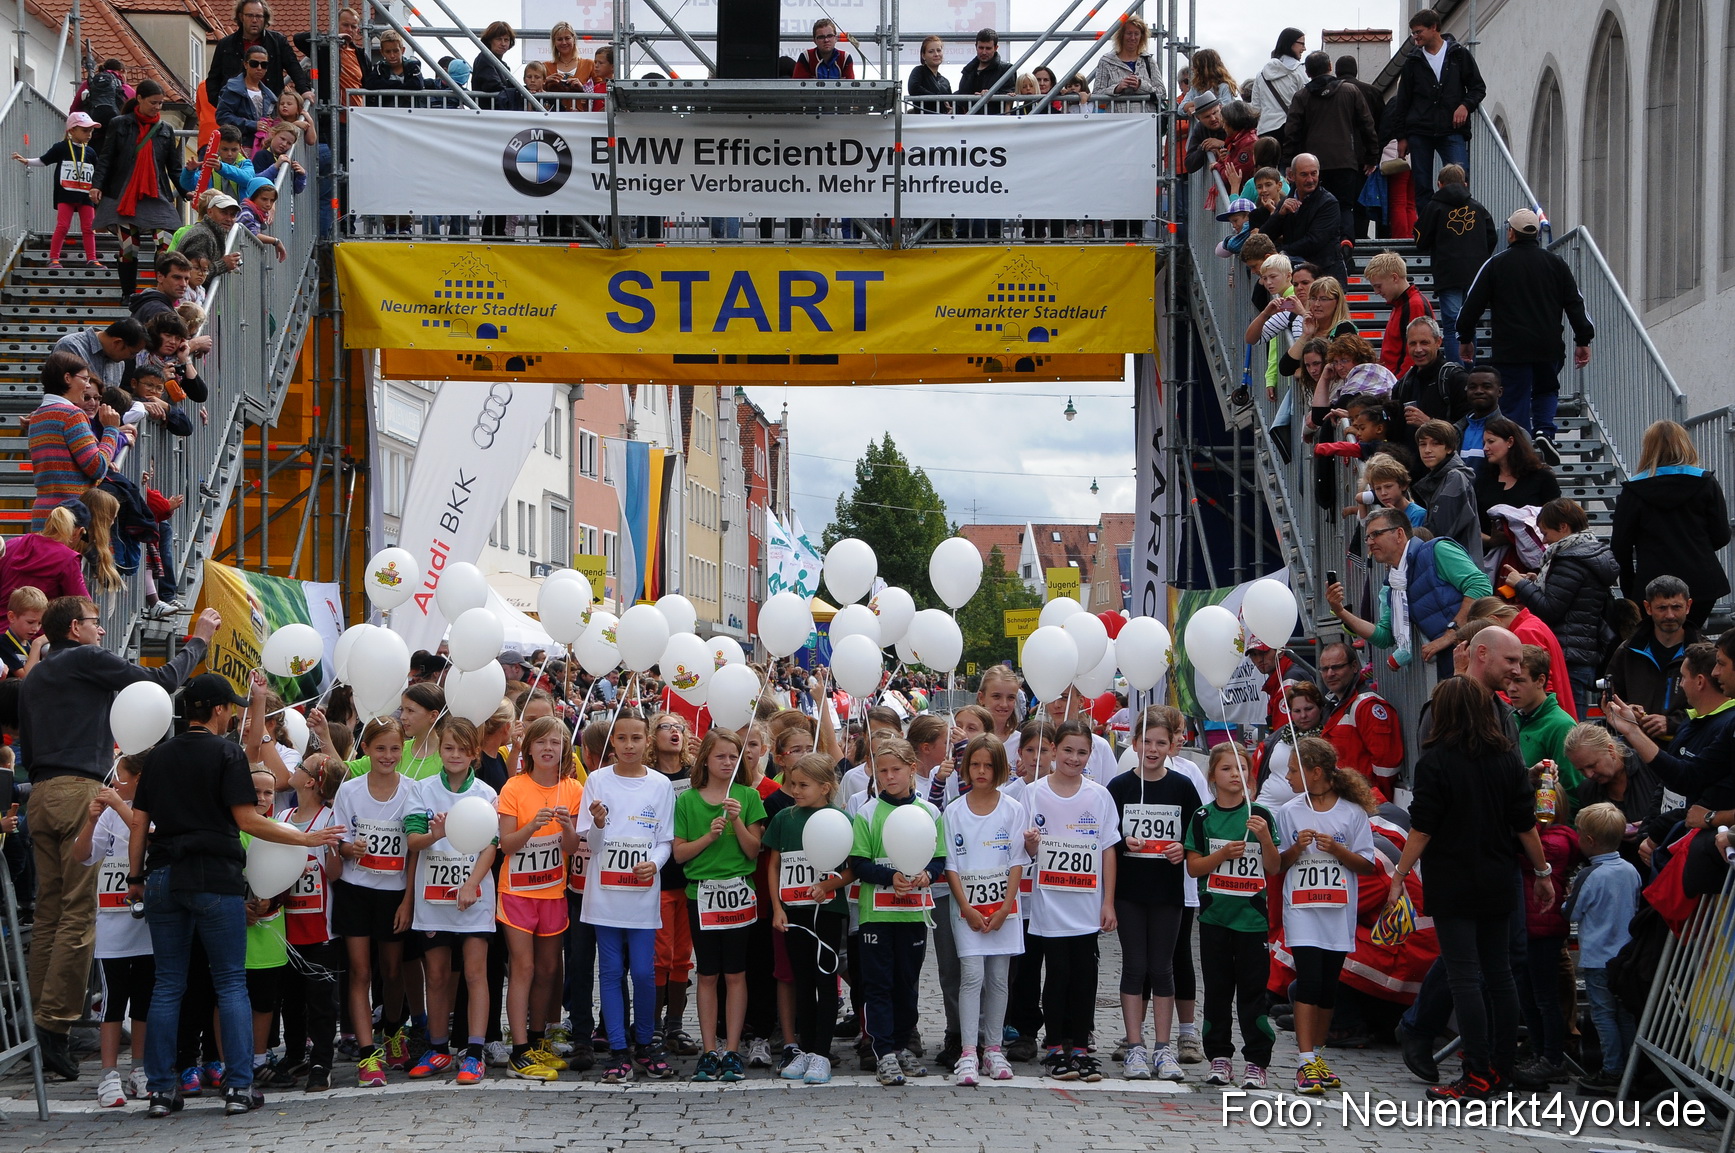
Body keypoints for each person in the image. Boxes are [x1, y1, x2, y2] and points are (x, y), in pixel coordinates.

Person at [129, 670, 343, 1117]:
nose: (231, 717)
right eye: (230, 709)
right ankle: (239, 1088)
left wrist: (135, 878)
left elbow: (139, 822)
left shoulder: (159, 755)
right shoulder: (225, 752)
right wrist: (304, 839)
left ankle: (161, 1090)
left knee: (167, 985)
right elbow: (247, 820)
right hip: (213, 876)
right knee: (230, 982)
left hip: (163, 875)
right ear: (219, 710)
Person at [18, 598, 215, 1080]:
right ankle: (54, 1025)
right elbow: (156, 683)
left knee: (49, 914)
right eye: (94, 622)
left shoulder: (36, 675)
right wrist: (199, 641)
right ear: (74, 628)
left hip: (40, 794)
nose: (102, 630)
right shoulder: (84, 658)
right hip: (76, 790)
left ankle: (39, 1024)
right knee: (76, 913)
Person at [1388, 676, 1551, 1100]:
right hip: (1498, 875)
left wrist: (1400, 873)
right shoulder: (1507, 759)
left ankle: (1476, 1071)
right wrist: (1543, 872)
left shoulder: (1435, 762)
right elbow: (1525, 825)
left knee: (1464, 976)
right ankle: (1501, 1069)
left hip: (1453, 878)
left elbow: (1423, 827)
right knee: (1500, 975)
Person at [576, 713, 676, 1081]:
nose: (629, 745)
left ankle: (645, 1043)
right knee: (611, 971)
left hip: (641, 896)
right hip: (604, 896)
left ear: (647, 741)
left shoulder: (660, 784)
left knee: (645, 972)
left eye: (636, 737)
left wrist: (654, 864)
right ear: (613, 743)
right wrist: (599, 823)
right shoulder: (597, 781)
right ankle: (618, 1049)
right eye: (622, 738)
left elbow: (665, 840)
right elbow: (592, 843)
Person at [1276, 737, 1378, 1095]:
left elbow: (1367, 864)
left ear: (1315, 772)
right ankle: (1304, 1061)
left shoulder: (1352, 813)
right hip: (1302, 909)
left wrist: (1336, 849)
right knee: (1308, 981)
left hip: (1337, 911)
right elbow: (1277, 864)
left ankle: (1317, 1057)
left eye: (1293, 770)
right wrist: (1296, 847)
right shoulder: (1289, 811)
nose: (1288, 777)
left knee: (1327, 986)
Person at [404, 716, 499, 1085]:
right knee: (437, 975)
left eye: (462, 749)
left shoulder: (486, 794)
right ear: (439, 750)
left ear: (474, 753)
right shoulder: (422, 790)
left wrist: (471, 884)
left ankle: (474, 1053)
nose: (455, 754)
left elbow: (491, 847)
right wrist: (436, 834)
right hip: (433, 899)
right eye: (448, 748)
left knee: (475, 973)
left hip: (473, 898)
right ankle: (438, 1049)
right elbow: (414, 842)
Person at [1108, 713, 1202, 1083]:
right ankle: (1135, 1046)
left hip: (1167, 892)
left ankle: (1164, 1048)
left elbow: (1197, 833)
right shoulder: (1119, 786)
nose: (1152, 749)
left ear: (1172, 746)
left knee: (1162, 967)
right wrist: (1123, 841)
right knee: (1135, 965)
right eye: (1146, 742)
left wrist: (1183, 847)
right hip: (1129, 892)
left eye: (1160, 743)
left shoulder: (1182, 786)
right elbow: (1105, 835)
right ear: (1134, 744)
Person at [1457, 209, 1595, 456]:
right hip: (1548, 345)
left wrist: (1465, 337)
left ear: (1511, 233)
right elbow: (1576, 303)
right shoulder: (1556, 264)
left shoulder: (1496, 264)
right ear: (1537, 234)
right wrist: (1583, 339)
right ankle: (1544, 431)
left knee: (1513, 398)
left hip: (1510, 349)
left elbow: (1470, 305)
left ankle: (1519, 448)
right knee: (1546, 389)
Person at [673, 728, 766, 1084]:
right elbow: (680, 854)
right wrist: (709, 837)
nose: (727, 762)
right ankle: (709, 1049)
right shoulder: (687, 800)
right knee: (708, 974)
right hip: (701, 895)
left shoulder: (748, 796)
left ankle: (732, 1050)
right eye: (720, 756)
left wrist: (737, 820)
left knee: (736, 973)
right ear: (705, 760)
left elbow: (753, 851)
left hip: (738, 892)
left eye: (733, 757)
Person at [850, 736, 945, 1086]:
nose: (889, 777)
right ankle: (883, 1051)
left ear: (912, 769)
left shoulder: (930, 812)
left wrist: (927, 874)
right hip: (876, 915)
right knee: (878, 984)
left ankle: (903, 1045)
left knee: (907, 982)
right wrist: (889, 877)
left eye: (896, 770)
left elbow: (939, 858)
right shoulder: (867, 813)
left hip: (913, 913)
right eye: (882, 771)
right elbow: (858, 862)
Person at [1184, 744, 1280, 1091]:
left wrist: (1265, 839)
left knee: (1254, 994)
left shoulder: (1261, 815)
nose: (1235, 775)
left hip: (1252, 922)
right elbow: (1194, 867)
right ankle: (1219, 1057)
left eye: (1241, 768)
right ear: (1213, 775)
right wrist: (1223, 854)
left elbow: (1274, 867)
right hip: (1215, 920)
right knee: (1218, 992)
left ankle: (1257, 1061)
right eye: (1226, 768)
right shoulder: (1203, 817)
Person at [328, 717, 415, 1087]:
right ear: (365, 749)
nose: (388, 755)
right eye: (380, 748)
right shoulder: (349, 791)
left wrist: (408, 901)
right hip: (355, 890)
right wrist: (352, 849)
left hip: (394, 893)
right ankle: (367, 1054)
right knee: (360, 972)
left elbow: (415, 851)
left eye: (395, 748)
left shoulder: (412, 790)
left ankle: (393, 1030)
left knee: (392, 971)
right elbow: (339, 841)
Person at [497, 716, 584, 1080]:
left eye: (556, 742)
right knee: (524, 968)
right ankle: (518, 1052)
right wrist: (531, 826)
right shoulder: (514, 787)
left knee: (548, 970)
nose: (549, 748)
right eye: (541, 742)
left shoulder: (573, 789)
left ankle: (537, 1042)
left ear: (565, 749)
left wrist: (567, 827)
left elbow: (571, 848)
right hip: (517, 892)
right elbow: (506, 845)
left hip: (552, 891)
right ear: (529, 748)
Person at [939, 736, 1027, 1086]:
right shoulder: (954, 811)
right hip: (968, 911)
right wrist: (966, 907)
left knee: (998, 979)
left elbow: (1017, 861)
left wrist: (1005, 908)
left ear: (999, 768)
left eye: (988, 765)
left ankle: (993, 1048)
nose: (981, 771)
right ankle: (968, 1051)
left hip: (1004, 910)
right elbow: (951, 865)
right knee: (972, 976)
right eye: (975, 764)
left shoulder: (1012, 809)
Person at [1328, 507, 1492, 686]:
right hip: (1455, 666)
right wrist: (1340, 611)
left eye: (1376, 534)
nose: (1370, 542)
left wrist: (1450, 634)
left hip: (1482, 654)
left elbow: (1480, 586)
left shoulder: (1437, 550)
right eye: (1367, 537)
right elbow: (1384, 636)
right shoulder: (1395, 584)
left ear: (1399, 534)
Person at [72, 754, 152, 1107]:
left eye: (119, 777)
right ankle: (108, 1074)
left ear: (138, 779)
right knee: (113, 998)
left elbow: (146, 834)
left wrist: (119, 805)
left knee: (145, 998)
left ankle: (139, 1068)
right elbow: (81, 855)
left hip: (147, 922)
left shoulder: (153, 808)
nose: (112, 784)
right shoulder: (108, 814)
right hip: (112, 921)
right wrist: (91, 821)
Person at [766, 754, 849, 1085]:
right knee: (802, 981)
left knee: (825, 981)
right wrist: (777, 907)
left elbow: (852, 868)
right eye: (793, 784)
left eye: (804, 785)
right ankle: (804, 1048)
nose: (796, 791)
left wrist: (828, 886)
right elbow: (774, 864)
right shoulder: (784, 819)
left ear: (825, 787)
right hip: (793, 911)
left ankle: (822, 1053)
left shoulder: (840, 819)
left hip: (827, 911)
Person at [1611, 420, 1730, 631]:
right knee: (1690, 637)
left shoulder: (1634, 490)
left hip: (1651, 583)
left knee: (1657, 642)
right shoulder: (1705, 482)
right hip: (1701, 580)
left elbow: (1620, 546)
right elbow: (1721, 535)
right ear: (1685, 445)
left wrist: (1631, 588)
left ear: (1648, 449)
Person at [1506, 498, 1619, 709]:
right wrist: (1535, 582)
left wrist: (1521, 585)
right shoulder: (1588, 552)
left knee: (1569, 722)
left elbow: (1550, 609)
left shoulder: (1569, 560)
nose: (1544, 540)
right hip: (1580, 652)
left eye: (1546, 532)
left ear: (1563, 527)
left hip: (1568, 656)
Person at [1567, 802, 1643, 1095]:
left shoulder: (1590, 874)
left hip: (1598, 958)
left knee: (1602, 1014)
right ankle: (1631, 1070)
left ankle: (1611, 1070)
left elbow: (1571, 912)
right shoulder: (1631, 870)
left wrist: (1566, 899)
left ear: (1589, 840)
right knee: (1624, 1014)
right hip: (1625, 956)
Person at [1380, 8, 1486, 217]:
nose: (1415, 37)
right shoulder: (1412, 61)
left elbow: (1478, 87)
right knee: (1422, 184)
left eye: (1419, 32)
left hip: (1451, 128)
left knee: (1458, 179)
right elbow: (1403, 102)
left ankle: (1457, 222)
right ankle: (1428, 225)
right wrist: (1401, 137)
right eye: (1413, 33)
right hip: (1420, 131)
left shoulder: (1458, 54)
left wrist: (1465, 105)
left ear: (1434, 28)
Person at [92, 80, 190, 301]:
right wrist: (96, 185)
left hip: (157, 195)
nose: (157, 107)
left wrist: (186, 191)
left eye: (161, 103)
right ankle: (128, 294)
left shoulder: (166, 130)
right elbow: (106, 158)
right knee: (129, 247)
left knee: (165, 245)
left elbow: (174, 168)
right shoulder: (119, 124)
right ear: (139, 99)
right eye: (153, 102)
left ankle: (160, 292)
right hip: (124, 195)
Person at [1281, 52, 1376, 247]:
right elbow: (1367, 125)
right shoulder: (1350, 91)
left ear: (1307, 73)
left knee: (1315, 205)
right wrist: (1371, 156)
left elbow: (1292, 131)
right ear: (1330, 67)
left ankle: (1322, 243)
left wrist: (1289, 162)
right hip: (1345, 161)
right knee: (1345, 206)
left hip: (1312, 165)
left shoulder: (1302, 96)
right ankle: (1346, 241)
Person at [1415, 164, 1495, 362]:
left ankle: (1455, 372)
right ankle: (1469, 370)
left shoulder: (1433, 207)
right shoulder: (1477, 207)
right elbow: (1491, 236)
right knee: (1469, 325)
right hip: (1475, 274)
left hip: (1447, 273)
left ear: (1439, 184)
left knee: (1452, 326)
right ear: (1465, 184)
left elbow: (1420, 240)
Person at [1605, 576, 1700, 743]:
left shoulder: (1702, 655)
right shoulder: (1627, 651)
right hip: (1635, 746)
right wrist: (1625, 710)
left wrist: (1672, 723)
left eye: (1676, 607)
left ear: (1688, 606)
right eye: (1662, 608)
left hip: (1687, 746)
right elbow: (1608, 697)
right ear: (1648, 608)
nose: (1670, 615)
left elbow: (1716, 705)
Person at [11, 112, 103, 267]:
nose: (89, 134)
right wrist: (27, 161)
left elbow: (98, 171)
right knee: (63, 226)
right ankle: (54, 258)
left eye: (91, 131)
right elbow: (44, 160)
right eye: (85, 130)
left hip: (85, 195)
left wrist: (99, 188)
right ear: (72, 130)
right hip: (65, 194)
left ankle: (92, 259)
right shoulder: (61, 147)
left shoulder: (90, 152)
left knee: (88, 228)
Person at [1474, 417, 1561, 556]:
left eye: (1491, 441)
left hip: (1535, 556)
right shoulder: (1482, 481)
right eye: (1484, 443)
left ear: (1510, 441)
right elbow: (1472, 526)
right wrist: (1491, 541)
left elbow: (1556, 519)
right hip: (1490, 558)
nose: (1485, 448)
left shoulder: (1542, 477)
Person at [204, 0, 308, 108]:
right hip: (235, 107)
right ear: (241, 16)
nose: (254, 20)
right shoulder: (226, 44)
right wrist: (222, 104)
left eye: (258, 16)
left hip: (270, 106)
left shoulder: (278, 41)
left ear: (264, 18)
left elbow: (294, 67)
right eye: (249, 15)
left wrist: (305, 90)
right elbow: (213, 79)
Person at [1265, 154, 1348, 283]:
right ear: (1292, 176)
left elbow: (1315, 241)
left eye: (1313, 173)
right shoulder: (1286, 202)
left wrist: (1281, 252)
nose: (1310, 180)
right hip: (1297, 277)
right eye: (1304, 175)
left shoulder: (1328, 203)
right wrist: (1279, 215)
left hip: (1325, 277)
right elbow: (1265, 236)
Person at [1411, 421, 1483, 567]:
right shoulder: (1441, 478)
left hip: (1458, 569)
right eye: (1423, 444)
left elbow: (1440, 533)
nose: (1427, 450)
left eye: (1435, 444)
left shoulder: (1455, 477)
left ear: (1449, 448)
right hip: (1450, 565)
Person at [0, 501, 92, 604]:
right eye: (81, 537)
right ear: (79, 532)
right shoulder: (69, 559)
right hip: (41, 614)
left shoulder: (11, 544)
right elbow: (84, 605)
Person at [1511, 646, 1577, 777]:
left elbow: (1572, 786)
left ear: (1541, 680)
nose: (1511, 688)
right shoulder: (1509, 718)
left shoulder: (1562, 726)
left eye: (1519, 681)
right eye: (1509, 679)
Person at [1365, 252, 1434, 377]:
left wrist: (1399, 384)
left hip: (1400, 381)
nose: (1376, 292)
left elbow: (1414, 355)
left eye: (1378, 286)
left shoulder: (1414, 305)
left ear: (1394, 278)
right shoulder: (1401, 304)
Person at [1392, 317, 1468, 427]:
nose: (1418, 349)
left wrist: (1429, 423)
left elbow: (1469, 427)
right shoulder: (1404, 384)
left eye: (1424, 343)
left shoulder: (1455, 378)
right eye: (1413, 343)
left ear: (1438, 342)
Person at [1088, 15, 1158, 112]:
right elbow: (1097, 96)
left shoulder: (1149, 61)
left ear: (1142, 37)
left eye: (1136, 34)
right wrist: (1117, 88)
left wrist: (1140, 85)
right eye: (1129, 33)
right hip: (1117, 119)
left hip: (1145, 119)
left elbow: (1162, 93)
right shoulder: (1106, 61)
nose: (1133, 38)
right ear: (1121, 35)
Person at [1250, 27, 1306, 140]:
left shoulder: (1261, 75)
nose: (1304, 48)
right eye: (1302, 44)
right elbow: (1306, 100)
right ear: (1291, 44)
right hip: (1290, 129)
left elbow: (1255, 109)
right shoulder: (1299, 71)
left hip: (1265, 131)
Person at [217, 44, 278, 141]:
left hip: (262, 144)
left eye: (264, 65)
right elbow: (222, 117)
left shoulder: (270, 97)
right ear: (245, 64)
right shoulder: (232, 89)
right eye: (254, 63)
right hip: (238, 144)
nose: (259, 68)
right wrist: (252, 125)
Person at [956, 28, 1012, 113]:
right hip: (971, 119)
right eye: (981, 48)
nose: (984, 52)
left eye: (988, 48)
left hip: (995, 119)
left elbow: (1010, 94)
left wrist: (991, 95)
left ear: (996, 48)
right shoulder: (968, 70)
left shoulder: (1006, 70)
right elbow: (962, 97)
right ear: (976, 47)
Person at [539, 22, 592, 109]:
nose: (564, 43)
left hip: (583, 115)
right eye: (559, 39)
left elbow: (600, 90)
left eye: (567, 38)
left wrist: (582, 88)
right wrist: (544, 81)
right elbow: (533, 89)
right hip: (553, 115)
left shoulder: (589, 65)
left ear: (574, 39)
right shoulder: (545, 67)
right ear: (554, 42)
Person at [469, 22, 517, 108]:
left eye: (506, 40)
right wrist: (518, 93)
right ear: (489, 41)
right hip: (487, 113)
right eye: (499, 39)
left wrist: (530, 89)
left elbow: (510, 86)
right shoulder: (484, 58)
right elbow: (493, 86)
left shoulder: (503, 66)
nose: (503, 43)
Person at [1182, 48, 1236, 113]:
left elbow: (1225, 109)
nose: (1192, 69)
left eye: (1195, 66)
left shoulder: (1224, 87)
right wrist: (1196, 104)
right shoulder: (1196, 88)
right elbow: (1181, 108)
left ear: (1205, 68)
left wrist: (1199, 107)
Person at [907, 35, 952, 112]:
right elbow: (914, 88)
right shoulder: (919, 71)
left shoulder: (945, 81)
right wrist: (939, 99)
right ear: (923, 56)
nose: (936, 54)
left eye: (939, 50)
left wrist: (952, 109)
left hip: (943, 119)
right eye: (931, 51)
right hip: (924, 118)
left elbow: (951, 102)